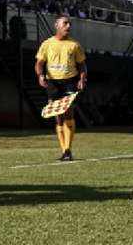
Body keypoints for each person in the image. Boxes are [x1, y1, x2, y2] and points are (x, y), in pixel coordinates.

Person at [34, 16, 87, 161]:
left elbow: (82, 65)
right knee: (58, 117)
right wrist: (40, 76)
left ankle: (68, 150)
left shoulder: (75, 45)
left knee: (68, 113)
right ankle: (64, 150)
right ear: (57, 25)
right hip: (53, 83)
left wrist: (82, 79)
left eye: (70, 23)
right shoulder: (47, 44)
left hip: (70, 82)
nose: (68, 26)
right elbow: (39, 63)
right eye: (65, 23)